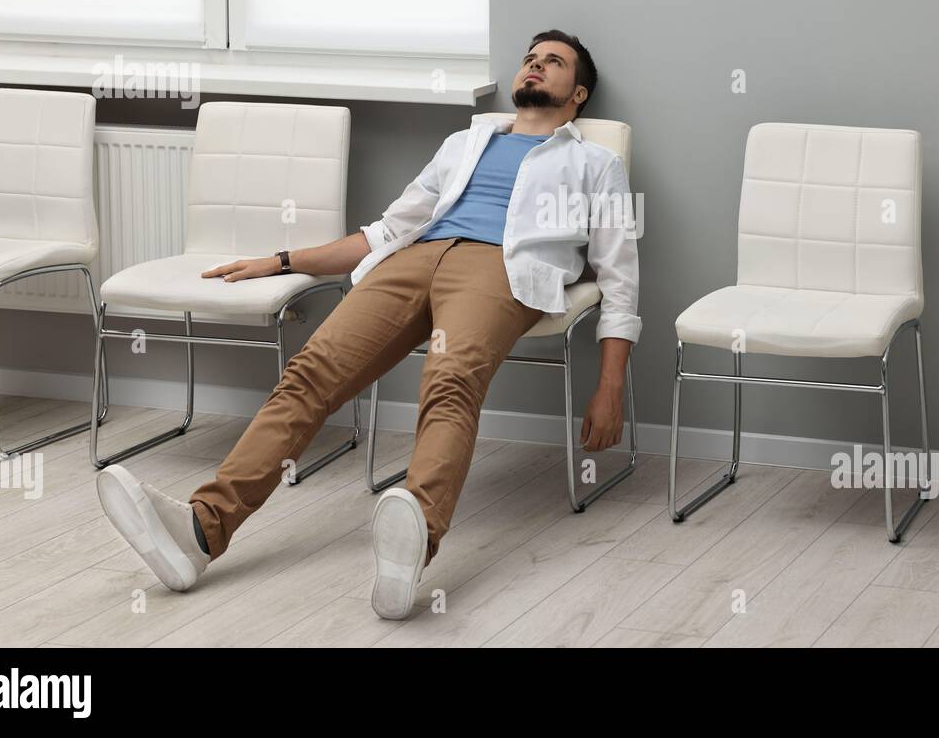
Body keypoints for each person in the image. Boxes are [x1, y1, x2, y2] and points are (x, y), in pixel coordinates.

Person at [95, 30, 641, 620]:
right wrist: (280, 261)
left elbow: (619, 277)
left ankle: (414, 547)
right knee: (309, 373)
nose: (534, 66)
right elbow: (381, 233)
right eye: (530, 57)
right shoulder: (465, 141)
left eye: (552, 62)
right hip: (412, 259)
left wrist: (610, 385)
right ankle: (200, 534)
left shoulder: (595, 163)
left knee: (450, 380)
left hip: (501, 269)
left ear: (578, 92)